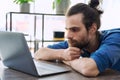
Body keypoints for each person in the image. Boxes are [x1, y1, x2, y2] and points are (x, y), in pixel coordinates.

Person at [34, 0, 120, 77]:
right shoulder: (79, 42)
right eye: (67, 29)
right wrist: (63, 54)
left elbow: (89, 68)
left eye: (74, 30)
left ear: (92, 29)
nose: (68, 36)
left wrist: (68, 61)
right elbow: (39, 53)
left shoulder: (115, 37)